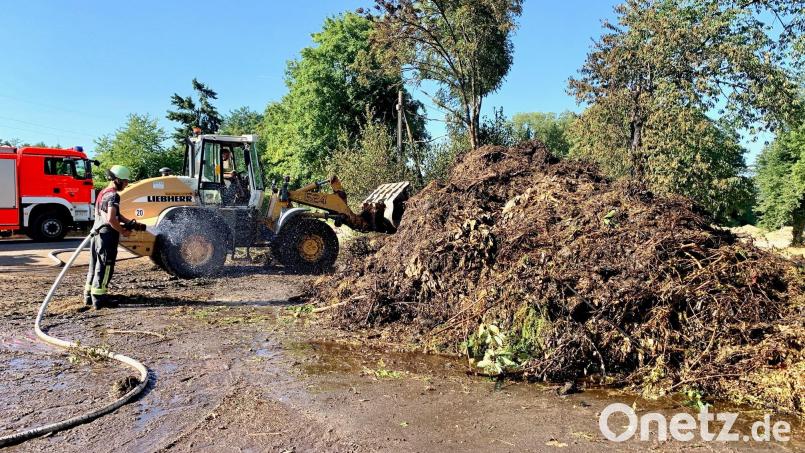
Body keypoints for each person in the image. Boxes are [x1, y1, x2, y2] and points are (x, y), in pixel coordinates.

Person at [84, 165, 134, 309]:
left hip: (96, 233)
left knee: (95, 265)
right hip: (107, 235)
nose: (126, 184)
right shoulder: (114, 195)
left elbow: (113, 213)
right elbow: (111, 219)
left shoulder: (103, 193)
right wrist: (123, 231)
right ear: (117, 180)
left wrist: (127, 222)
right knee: (106, 266)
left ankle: (89, 295)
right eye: (125, 181)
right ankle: (100, 298)